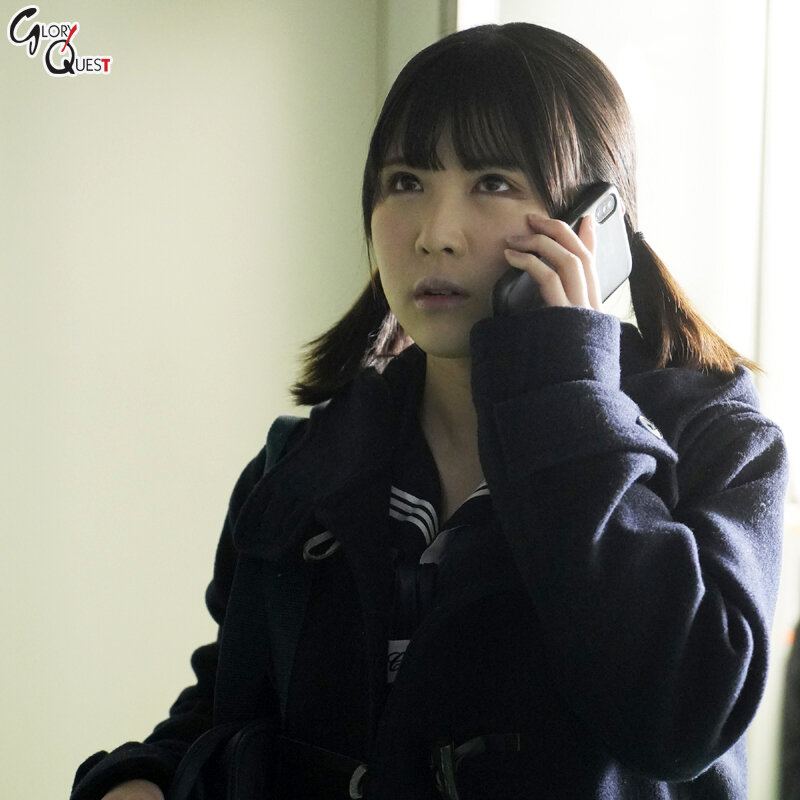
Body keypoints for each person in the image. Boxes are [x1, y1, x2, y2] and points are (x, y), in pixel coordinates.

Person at [70, 22, 788, 800]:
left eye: (493, 183)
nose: (436, 235)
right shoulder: (304, 467)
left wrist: (566, 393)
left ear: (595, 222)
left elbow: (682, 720)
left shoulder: (719, 439)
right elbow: (227, 703)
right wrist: (143, 779)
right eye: (407, 181)